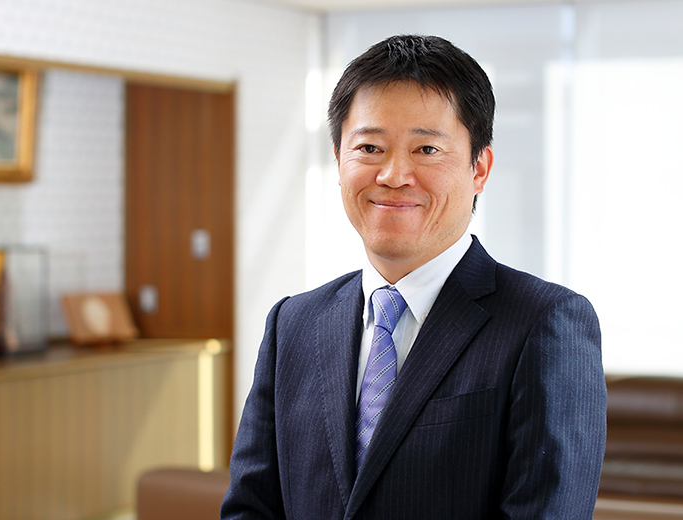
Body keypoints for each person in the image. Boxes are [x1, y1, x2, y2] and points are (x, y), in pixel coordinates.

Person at [221, 34, 606, 519]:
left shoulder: (544, 323)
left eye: (426, 148)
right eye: (370, 147)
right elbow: (251, 508)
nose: (394, 174)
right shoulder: (293, 323)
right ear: (338, 160)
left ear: (480, 168)